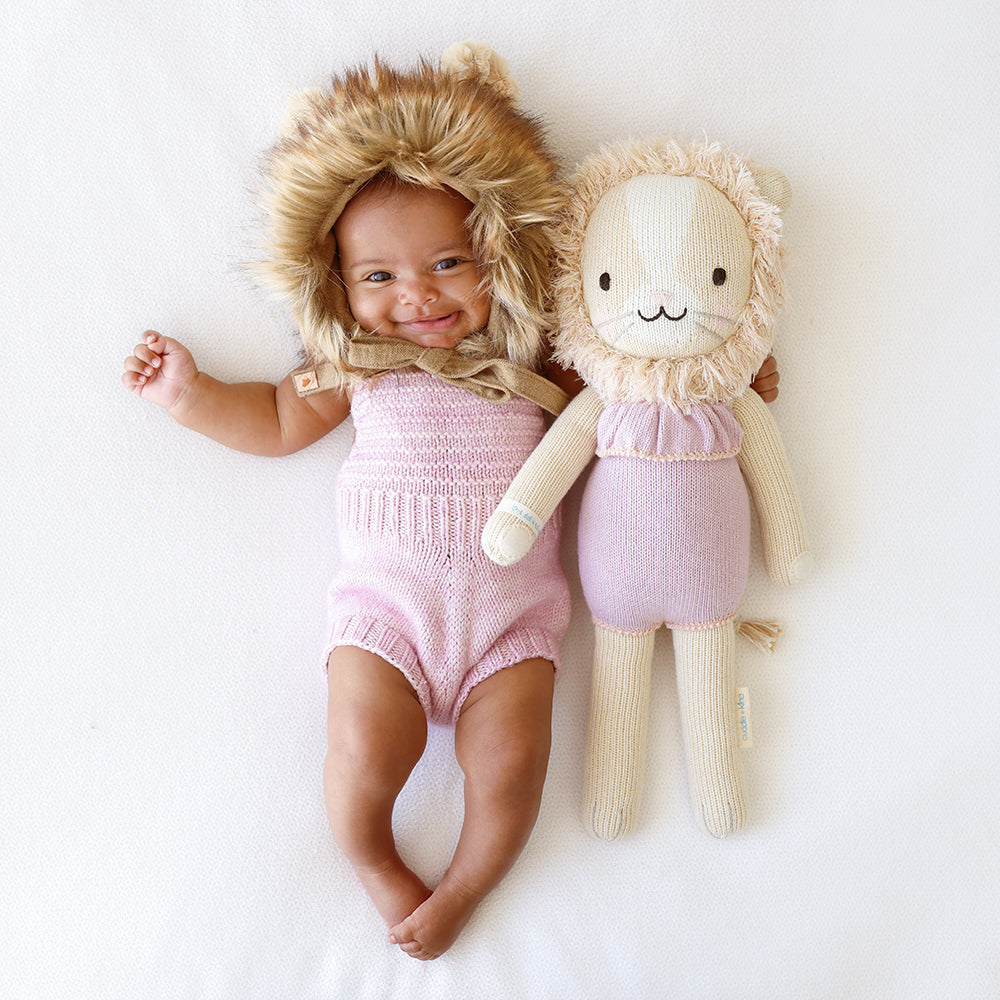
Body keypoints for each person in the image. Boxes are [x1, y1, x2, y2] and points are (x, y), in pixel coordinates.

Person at [121, 45, 780, 960]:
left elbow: (627, 391)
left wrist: (721, 375)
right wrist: (190, 395)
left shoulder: (533, 364)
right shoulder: (357, 367)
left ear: (498, 255)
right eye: (378, 278)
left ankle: (471, 879)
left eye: (447, 262)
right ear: (337, 287)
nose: (417, 296)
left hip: (512, 626)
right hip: (385, 618)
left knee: (511, 770)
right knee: (360, 763)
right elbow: (274, 420)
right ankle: (377, 865)